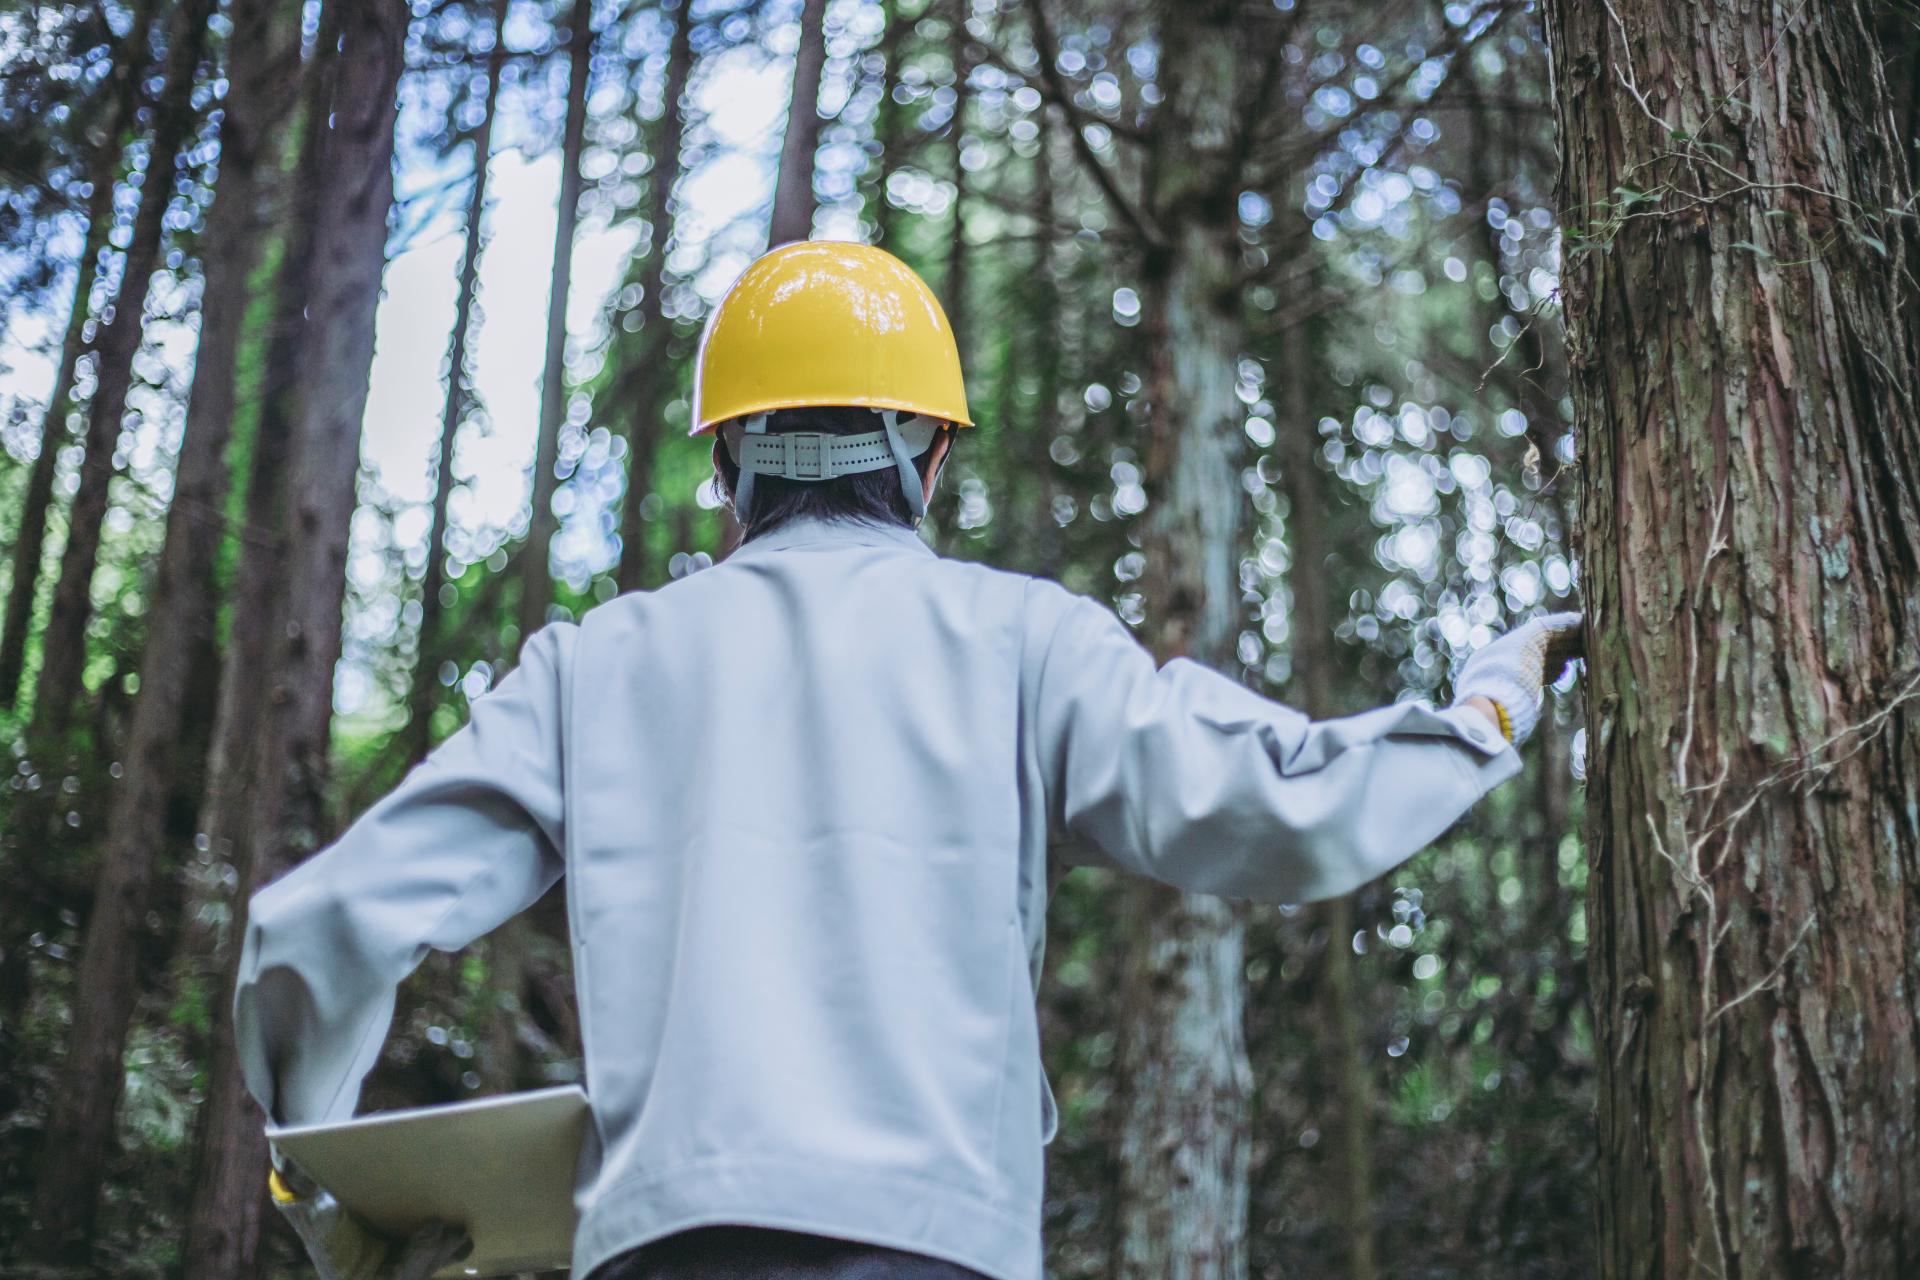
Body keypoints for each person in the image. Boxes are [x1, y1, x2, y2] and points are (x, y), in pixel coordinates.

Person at [236, 242, 1582, 1280]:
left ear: (728, 459)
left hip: (662, 1245)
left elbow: (325, 926)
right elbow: (1277, 805)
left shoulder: (597, 664)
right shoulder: (1020, 637)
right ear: (930, 452)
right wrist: (1482, 716)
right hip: (935, 1248)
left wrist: (327, 1190)